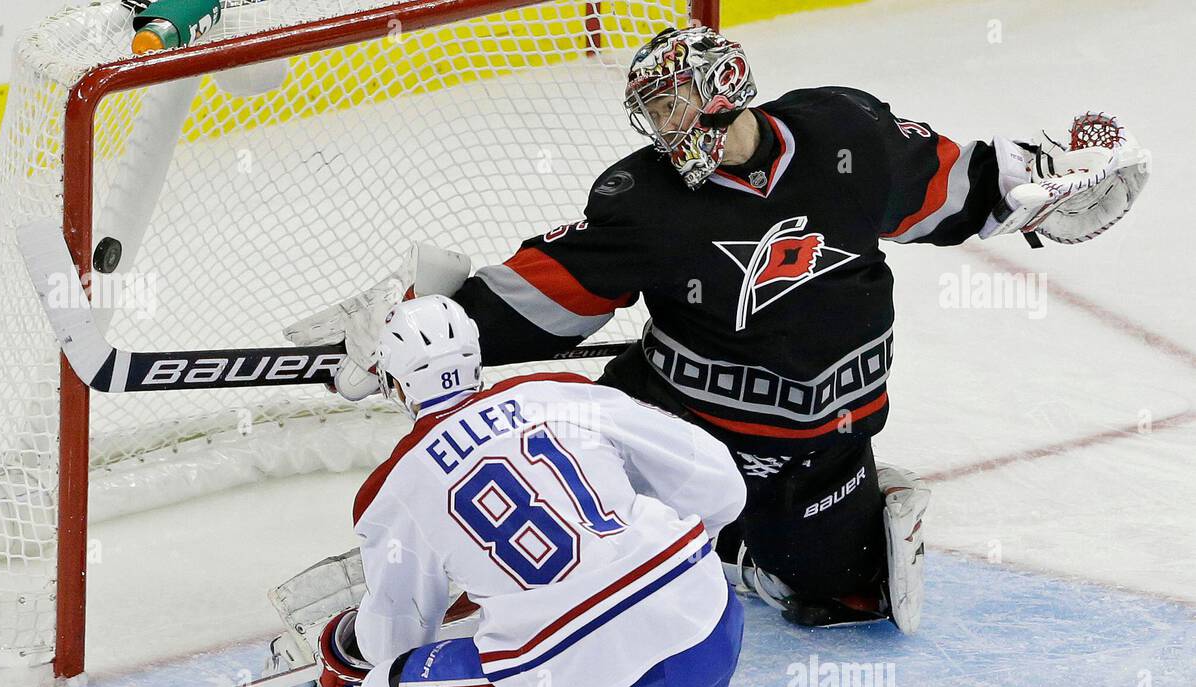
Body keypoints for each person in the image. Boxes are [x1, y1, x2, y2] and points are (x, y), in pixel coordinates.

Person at [290, 26, 1149, 634]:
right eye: (652, 115)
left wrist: (1038, 187)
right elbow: (549, 295)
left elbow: (952, 185)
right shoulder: (646, 199)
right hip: (672, 421)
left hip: (823, 436)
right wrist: (430, 332)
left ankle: (804, 521)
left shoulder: (845, 136)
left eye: (673, 106)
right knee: (566, 545)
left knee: (843, 603)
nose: (664, 131)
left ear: (726, 90)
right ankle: (405, 593)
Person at [264, 294, 845, 687]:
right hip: (708, 626)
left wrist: (347, 653)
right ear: (476, 356)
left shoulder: (395, 490)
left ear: (393, 383)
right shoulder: (562, 394)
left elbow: (401, 637)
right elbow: (716, 480)